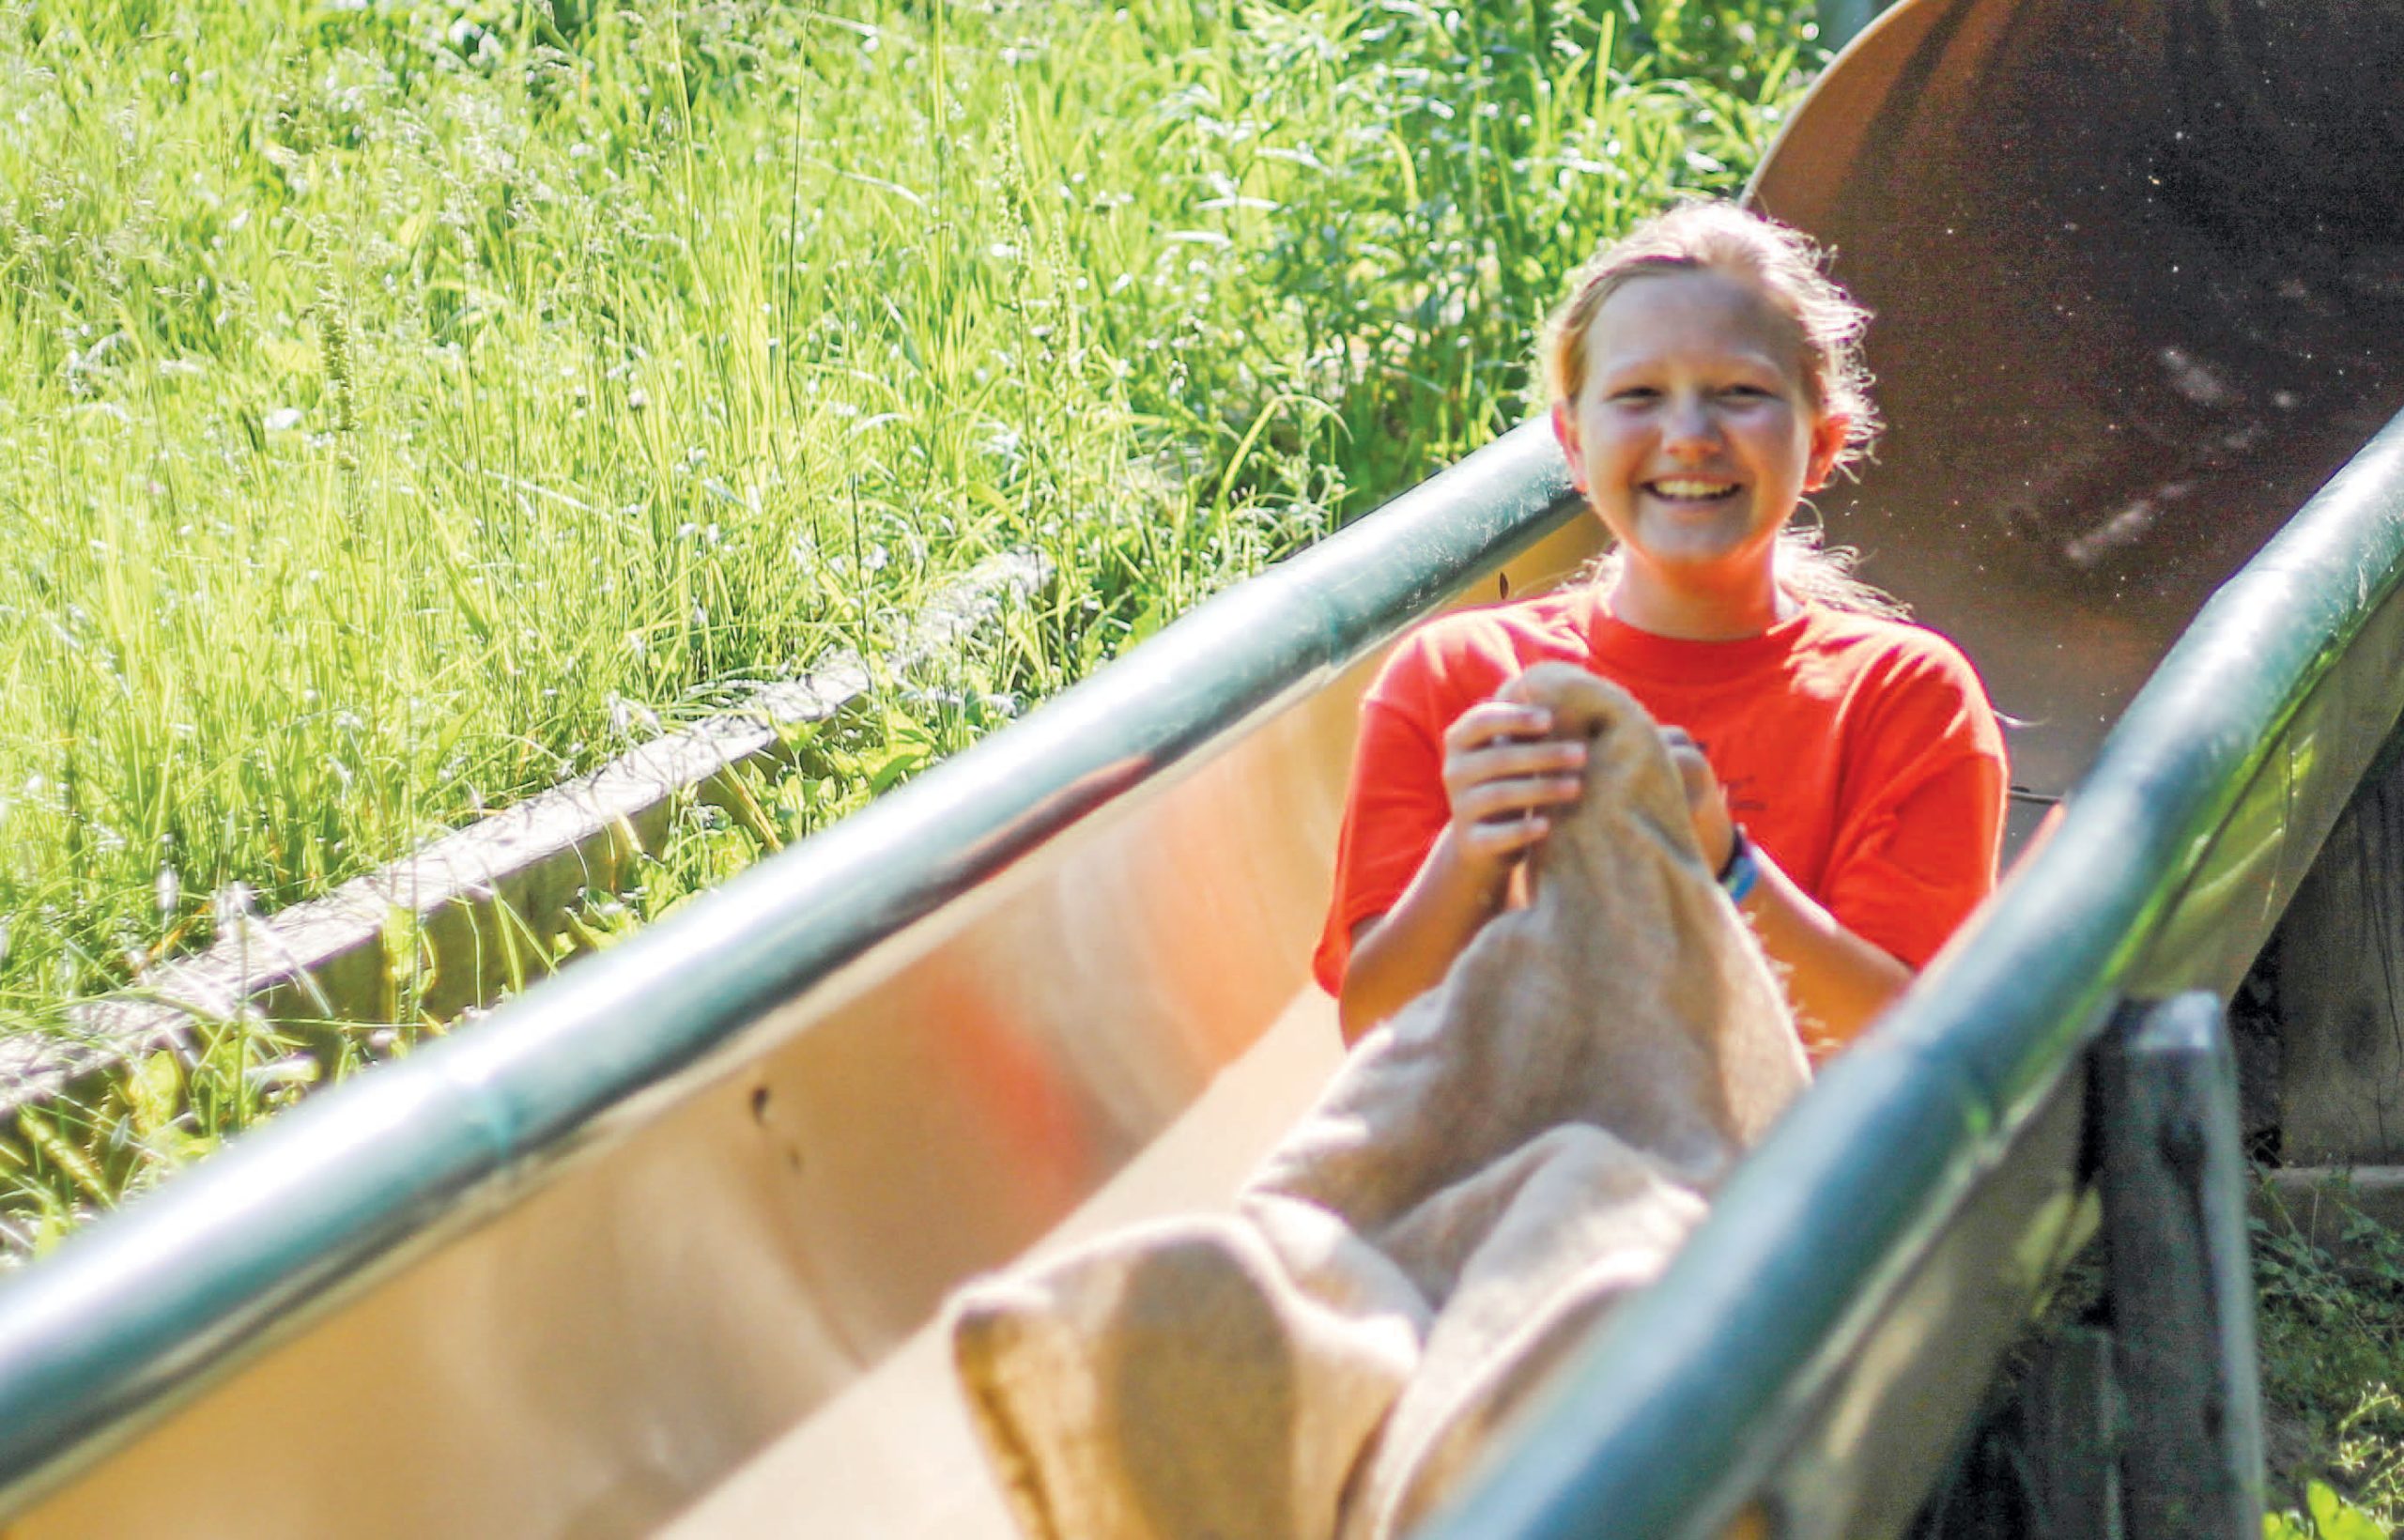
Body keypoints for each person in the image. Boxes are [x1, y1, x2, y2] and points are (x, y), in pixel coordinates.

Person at [1314, 201, 2010, 1058]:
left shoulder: (1904, 694)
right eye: (1639, 396)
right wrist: (1470, 854)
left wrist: (1724, 864)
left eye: (1740, 394)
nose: (1688, 437)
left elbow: (1902, 1056)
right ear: (1573, 444)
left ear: (1823, 441)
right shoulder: (1460, 677)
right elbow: (1377, 1033)